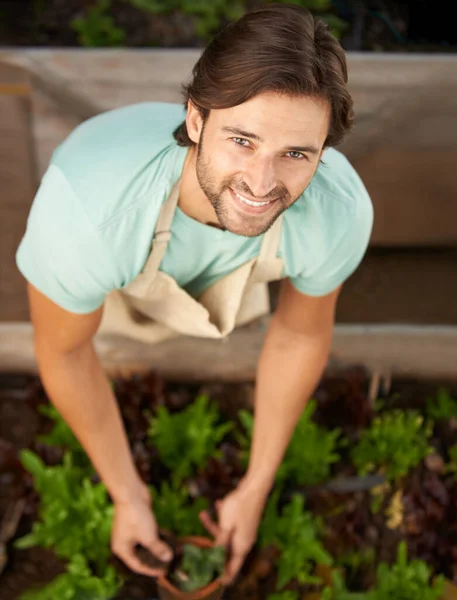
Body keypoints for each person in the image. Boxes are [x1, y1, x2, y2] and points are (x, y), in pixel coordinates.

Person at [16, 2, 373, 587]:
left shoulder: (337, 214)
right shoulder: (89, 215)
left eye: (296, 154)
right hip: (114, 276)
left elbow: (298, 333)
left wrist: (256, 485)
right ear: (197, 118)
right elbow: (64, 352)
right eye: (242, 139)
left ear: (323, 152)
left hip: (233, 284)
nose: (262, 183)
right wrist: (127, 495)